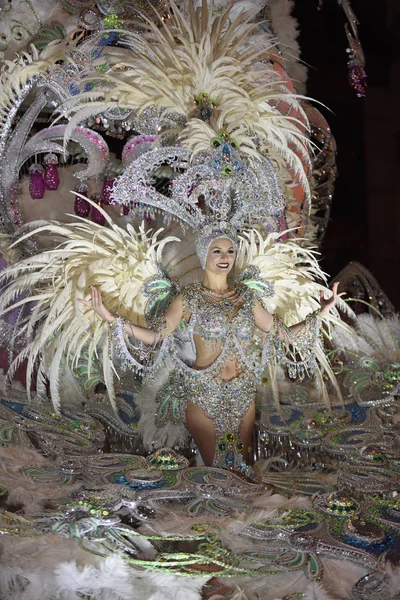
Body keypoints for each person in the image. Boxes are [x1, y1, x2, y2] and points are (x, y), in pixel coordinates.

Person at [79, 234, 344, 472]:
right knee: (219, 472)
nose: (225, 257)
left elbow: (283, 333)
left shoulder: (246, 297)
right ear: (204, 253)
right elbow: (155, 335)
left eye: (230, 251)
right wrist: (108, 317)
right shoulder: (188, 298)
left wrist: (322, 310)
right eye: (217, 251)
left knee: (242, 470)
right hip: (204, 396)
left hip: (242, 395)